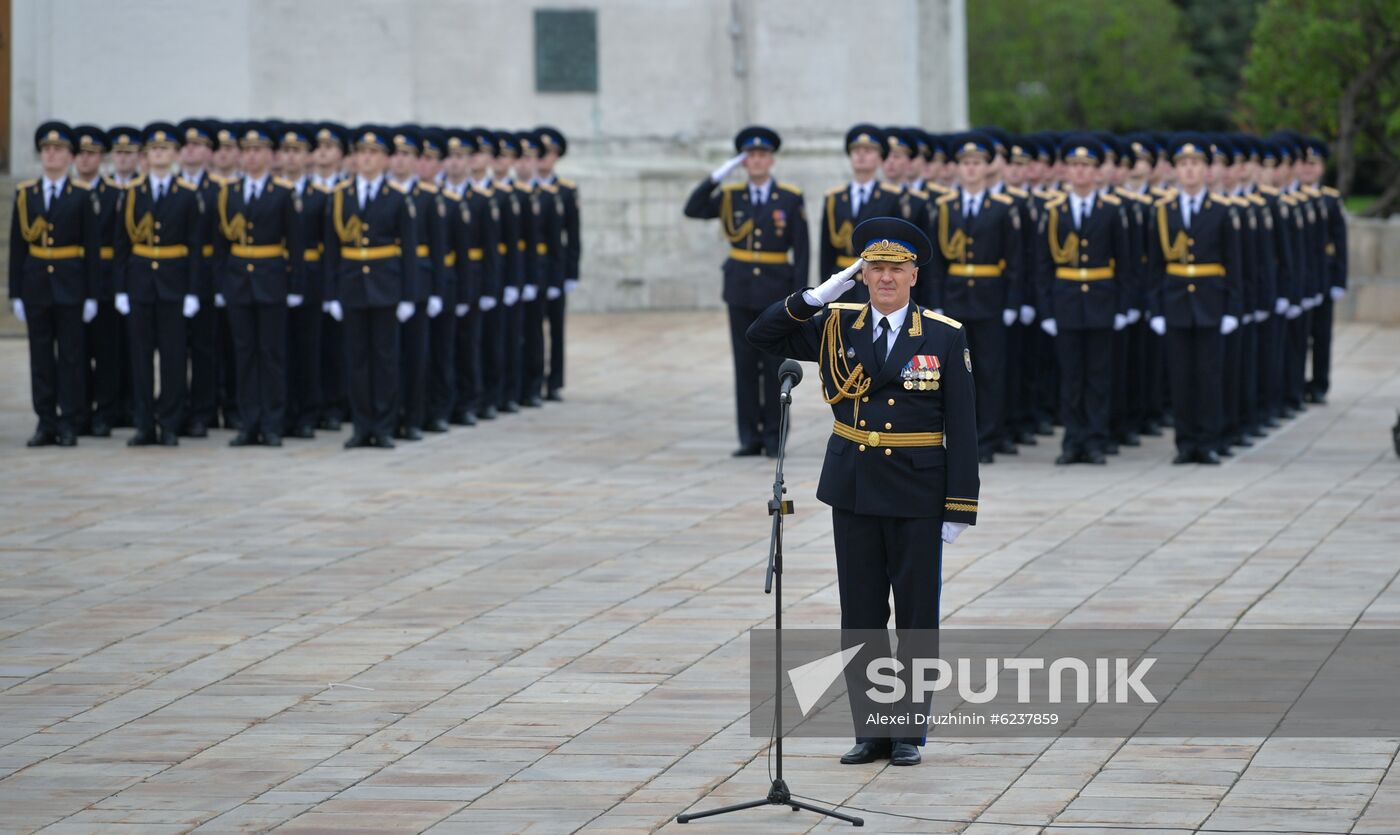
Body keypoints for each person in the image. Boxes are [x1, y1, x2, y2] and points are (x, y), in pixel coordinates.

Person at [747, 216, 979, 767]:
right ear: (861, 274)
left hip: (919, 491)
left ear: (914, 275)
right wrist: (815, 296)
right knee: (862, 615)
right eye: (874, 269)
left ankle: (908, 733)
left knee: (917, 617)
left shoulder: (944, 334)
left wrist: (960, 505)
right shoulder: (836, 324)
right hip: (854, 487)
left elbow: (964, 426)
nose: (885, 279)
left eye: (896, 269)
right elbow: (761, 335)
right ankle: (871, 729)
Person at [683, 125, 810, 457]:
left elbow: (802, 249)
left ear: (771, 161)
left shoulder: (789, 197)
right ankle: (749, 436)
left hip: (775, 291)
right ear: (743, 161)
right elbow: (693, 208)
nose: (757, 161)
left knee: (774, 366)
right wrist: (717, 176)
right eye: (750, 156)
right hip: (740, 289)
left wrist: (799, 298)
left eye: (762, 156)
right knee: (744, 365)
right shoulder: (730, 196)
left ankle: (774, 437)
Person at [926, 131, 1023, 463]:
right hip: (954, 299)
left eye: (976, 163)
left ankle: (989, 437)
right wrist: (936, 299)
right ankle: (959, 437)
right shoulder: (943, 207)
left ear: (987, 167)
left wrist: (1012, 302)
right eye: (965, 163)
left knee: (991, 371)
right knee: (954, 374)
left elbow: (1014, 260)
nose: (970, 169)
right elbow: (936, 262)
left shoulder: (1002, 208)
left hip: (990, 298)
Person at [1148, 135, 1243, 465]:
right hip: (1175, 304)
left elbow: (1235, 264)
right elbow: (1154, 265)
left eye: (1195, 165)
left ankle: (1208, 441)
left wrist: (1233, 308)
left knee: (1209, 376)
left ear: (1207, 170)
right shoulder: (1163, 211)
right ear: (1175, 171)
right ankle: (1185, 442)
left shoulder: (1220, 210)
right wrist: (1155, 308)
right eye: (1183, 165)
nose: (1189, 171)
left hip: (1210, 302)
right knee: (1180, 377)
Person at [1035, 135, 1131, 465]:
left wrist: (1123, 307)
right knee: (1071, 375)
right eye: (1074, 166)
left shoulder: (1112, 211)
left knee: (1099, 376)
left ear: (1096, 172)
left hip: (1102, 300)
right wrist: (1046, 309)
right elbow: (1043, 265)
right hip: (1066, 302)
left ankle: (1096, 439)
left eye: (1086, 167)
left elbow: (1126, 263)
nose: (1080, 173)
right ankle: (1072, 439)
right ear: (1066, 171)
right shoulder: (1053, 211)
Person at [323, 125, 419, 449]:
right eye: (362, 153)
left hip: (385, 286)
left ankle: (384, 425)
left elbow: (408, 250)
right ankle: (362, 426)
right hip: (351, 287)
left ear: (385, 159)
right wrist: (331, 292)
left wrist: (409, 295)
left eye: (374, 153)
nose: (366, 159)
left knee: (385, 360)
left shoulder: (396, 197)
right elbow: (331, 251)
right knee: (357, 359)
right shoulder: (340, 196)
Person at [212, 121, 305, 447]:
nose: (252, 157)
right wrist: (221, 286)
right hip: (239, 281)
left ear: (270, 155)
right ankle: (248, 422)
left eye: (258, 151)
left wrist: (295, 286)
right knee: (244, 353)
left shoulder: (282, 192)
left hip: (271, 279)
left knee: (271, 354)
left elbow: (295, 245)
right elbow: (221, 246)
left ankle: (273, 423)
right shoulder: (230, 193)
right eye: (247, 151)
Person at [113, 122, 206, 446]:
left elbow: (195, 248)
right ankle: (144, 423)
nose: (159, 154)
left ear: (176, 154)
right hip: (140, 282)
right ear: (146, 156)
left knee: (173, 358)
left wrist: (193, 291)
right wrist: (121, 289)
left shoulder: (188, 194)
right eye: (154, 149)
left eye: (165, 149)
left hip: (174, 283)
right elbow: (121, 245)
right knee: (140, 357)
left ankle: (169, 422)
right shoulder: (132, 193)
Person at [10, 121, 100, 447]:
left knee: (72, 357)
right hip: (36, 284)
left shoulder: (81, 195)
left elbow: (91, 249)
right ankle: (45, 420)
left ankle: (69, 421)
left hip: (70, 283)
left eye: (58, 150)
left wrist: (91, 294)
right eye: (46, 150)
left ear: (70, 157)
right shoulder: (26, 195)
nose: (51, 155)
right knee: (41, 356)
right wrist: (16, 292)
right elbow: (18, 247)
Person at [440, 128, 500, 430]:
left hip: (472, 280)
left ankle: (469, 402)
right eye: (449, 157)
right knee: (444, 346)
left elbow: (490, 249)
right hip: (444, 279)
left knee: (470, 344)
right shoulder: (435, 197)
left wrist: (489, 287)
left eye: (461, 157)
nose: (454, 163)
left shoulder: (481, 200)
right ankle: (445, 402)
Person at [388, 126, 445, 441]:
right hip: (384, 281)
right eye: (395, 155)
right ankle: (387, 415)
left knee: (415, 355)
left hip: (419, 284)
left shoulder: (426, 197)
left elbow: (438, 248)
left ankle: (414, 416)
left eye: (406, 155)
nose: (399, 161)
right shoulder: (381, 194)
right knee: (386, 357)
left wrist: (437, 290)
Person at [72, 125, 122, 437]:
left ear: (102, 158)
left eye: (92, 154)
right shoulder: (67, 192)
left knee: (106, 353)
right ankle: (78, 409)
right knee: (74, 352)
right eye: (81, 154)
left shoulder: (116, 194)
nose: (85, 160)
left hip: (105, 279)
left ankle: (106, 411)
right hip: (71, 279)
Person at [176, 119, 221, 438]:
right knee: (174, 348)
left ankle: (203, 412)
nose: (191, 150)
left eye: (198, 145)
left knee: (205, 348)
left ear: (209, 153)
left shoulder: (218, 189)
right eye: (187, 145)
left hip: (206, 276)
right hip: (172, 274)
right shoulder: (170, 186)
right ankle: (175, 408)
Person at [820, 125, 902, 297]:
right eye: (856, 151)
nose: (861, 155)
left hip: (877, 280)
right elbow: (826, 252)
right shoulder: (834, 197)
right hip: (842, 281)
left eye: (869, 150)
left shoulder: (892, 197)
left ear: (880, 158)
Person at [1300, 137, 1346, 405]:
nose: (1308, 169)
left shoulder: (1329, 199)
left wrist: (1339, 279)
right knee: (1297, 336)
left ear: (1321, 168)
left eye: (1313, 164)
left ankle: (1319, 383)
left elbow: (1340, 243)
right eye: (1304, 163)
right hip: (1299, 275)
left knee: (1321, 334)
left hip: (1323, 275)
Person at [312, 122, 350, 431]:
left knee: (342, 347)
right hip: (309, 277)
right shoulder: (303, 190)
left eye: (330, 148)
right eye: (319, 148)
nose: (323, 154)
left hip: (343, 277)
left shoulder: (347, 190)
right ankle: (315, 404)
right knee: (311, 347)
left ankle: (339, 404)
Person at [536, 126, 578, 402]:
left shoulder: (566, 191)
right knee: (530, 329)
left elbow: (573, 236)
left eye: (550, 154)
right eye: (541, 153)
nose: (544, 159)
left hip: (555, 265)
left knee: (556, 327)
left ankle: (555, 381)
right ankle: (534, 377)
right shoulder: (522, 188)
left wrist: (571, 273)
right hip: (529, 265)